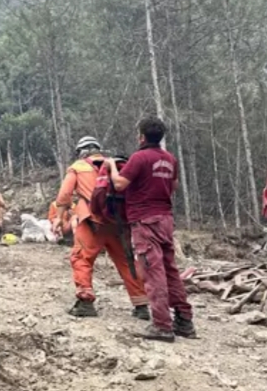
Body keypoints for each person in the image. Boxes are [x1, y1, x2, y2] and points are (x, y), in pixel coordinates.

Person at [107, 116, 197, 342]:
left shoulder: (139, 158)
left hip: (144, 221)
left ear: (142, 136)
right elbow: (173, 186)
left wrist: (110, 167)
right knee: (170, 270)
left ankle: (161, 325)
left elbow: (119, 184)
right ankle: (185, 320)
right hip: (165, 220)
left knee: (152, 272)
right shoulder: (169, 159)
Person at [52, 136, 149, 320]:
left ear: (81, 151)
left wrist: (59, 218)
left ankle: (86, 302)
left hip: (91, 221)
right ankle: (141, 305)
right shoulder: (116, 165)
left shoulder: (78, 167)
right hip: (119, 223)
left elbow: (64, 195)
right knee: (127, 262)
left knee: (81, 258)